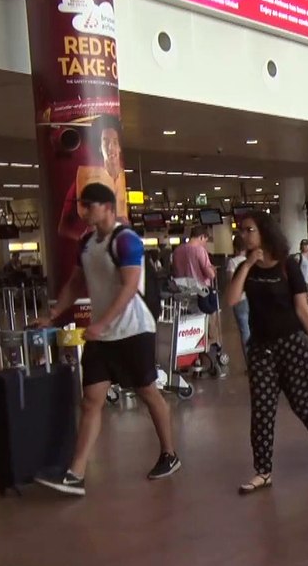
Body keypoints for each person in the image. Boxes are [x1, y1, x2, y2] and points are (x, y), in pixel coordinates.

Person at [34, 183, 180, 496]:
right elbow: (76, 283)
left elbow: (129, 287)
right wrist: (55, 312)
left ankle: (169, 453)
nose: (84, 212)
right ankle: (76, 473)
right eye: (82, 206)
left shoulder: (126, 240)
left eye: (89, 206)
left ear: (107, 208)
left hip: (133, 330)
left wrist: (101, 323)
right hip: (103, 336)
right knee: (91, 401)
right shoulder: (87, 242)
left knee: (147, 392)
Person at [226, 211, 308, 494]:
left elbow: (302, 308)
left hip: (291, 343)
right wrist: (249, 263)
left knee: (303, 402)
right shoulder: (245, 268)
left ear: (265, 231)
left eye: (250, 230)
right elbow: (232, 299)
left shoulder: (288, 266)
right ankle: (263, 471)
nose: (244, 235)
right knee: (262, 409)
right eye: (242, 231)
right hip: (260, 347)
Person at [172, 225, 222, 354]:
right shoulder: (199, 250)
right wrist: (212, 270)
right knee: (208, 326)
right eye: (205, 240)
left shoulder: (177, 251)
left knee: (188, 326)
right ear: (201, 237)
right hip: (201, 294)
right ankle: (208, 352)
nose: (205, 244)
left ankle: (190, 353)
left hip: (182, 294)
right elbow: (209, 274)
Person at [226, 234, 251, 355]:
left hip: (239, 300)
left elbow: (232, 282)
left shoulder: (232, 262)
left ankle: (250, 363)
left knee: (245, 331)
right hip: (251, 298)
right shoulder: (250, 261)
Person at [294, 239, 308, 304]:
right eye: (304, 245)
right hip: (302, 281)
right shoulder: (299, 256)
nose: (305, 247)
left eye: (307, 245)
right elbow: (295, 267)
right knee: (304, 300)